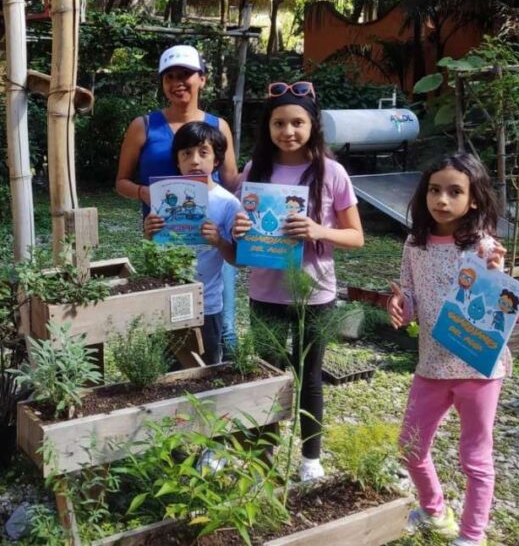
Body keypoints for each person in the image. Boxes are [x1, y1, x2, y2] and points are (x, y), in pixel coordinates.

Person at [230, 81, 364, 481]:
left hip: (315, 294)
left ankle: (310, 459)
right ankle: (263, 456)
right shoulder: (256, 170)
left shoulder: (332, 172)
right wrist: (238, 227)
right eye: (279, 123)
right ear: (267, 128)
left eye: (297, 122)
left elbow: (356, 236)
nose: (288, 131)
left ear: (313, 125)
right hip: (264, 291)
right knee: (266, 375)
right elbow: (242, 227)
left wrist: (318, 231)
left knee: (310, 377)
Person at [386, 153, 508, 546]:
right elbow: (412, 298)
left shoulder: (483, 245)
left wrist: (496, 272)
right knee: (410, 447)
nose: (442, 199)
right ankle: (435, 511)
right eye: (435, 190)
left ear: (473, 199)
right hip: (431, 366)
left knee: (475, 458)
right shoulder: (414, 243)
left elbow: (495, 307)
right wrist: (401, 306)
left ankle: (472, 536)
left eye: (455, 191)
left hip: (478, 369)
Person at [115, 44, 240, 350]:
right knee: (168, 323)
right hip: (165, 240)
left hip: (211, 241)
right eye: (169, 76)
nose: (177, 82)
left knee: (222, 326)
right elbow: (121, 182)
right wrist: (147, 193)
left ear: (203, 79)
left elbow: (231, 180)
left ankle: (221, 386)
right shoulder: (143, 126)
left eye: (185, 74)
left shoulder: (218, 126)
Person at [143, 122, 241, 364]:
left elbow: (238, 260)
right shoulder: (164, 196)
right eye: (186, 154)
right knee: (165, 370)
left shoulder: (228, 203)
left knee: (205, 371)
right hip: (167, 300)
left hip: (206, 304)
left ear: (217, 160)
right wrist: (149, 233)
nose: (194, 161)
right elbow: (154, 249)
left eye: (203, 152)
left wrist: (218, 240)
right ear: (177, 161)